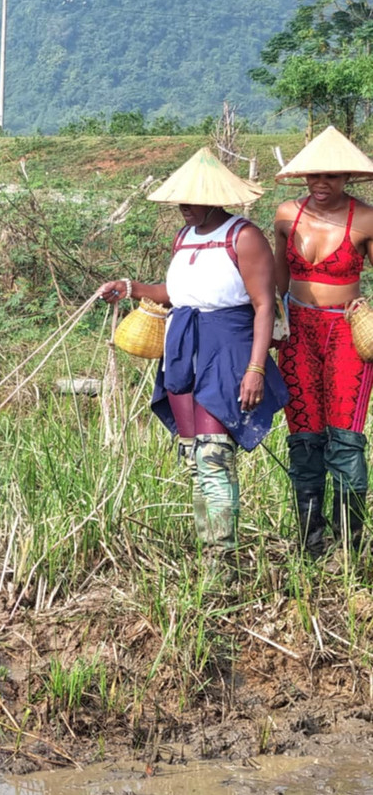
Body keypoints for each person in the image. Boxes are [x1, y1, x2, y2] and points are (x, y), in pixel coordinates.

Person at [98, 147, 287, 563]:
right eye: (180, 200)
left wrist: (255, 367)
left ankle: (222, 559)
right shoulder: (183, 238)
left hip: (229, 346)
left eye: (192, 200)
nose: (184, 207)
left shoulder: (245, 236)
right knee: (195, 455)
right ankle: (210, 549)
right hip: (183, 344)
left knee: (215, 452)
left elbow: (263, 306)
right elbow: (178, 293)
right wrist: (131, 288)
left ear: (214, 197)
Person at [271, 126, 373, 557]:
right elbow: (277, 279)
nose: (321, 184)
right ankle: (313, 545)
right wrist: (272, 325)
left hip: (346, 333)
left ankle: (350, 545)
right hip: (297, 333)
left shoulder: (366, 218)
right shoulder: (285, 215)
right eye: (314, 176)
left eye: (331, 176)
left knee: (345, 436)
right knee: (305, 435)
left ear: (346, 178)